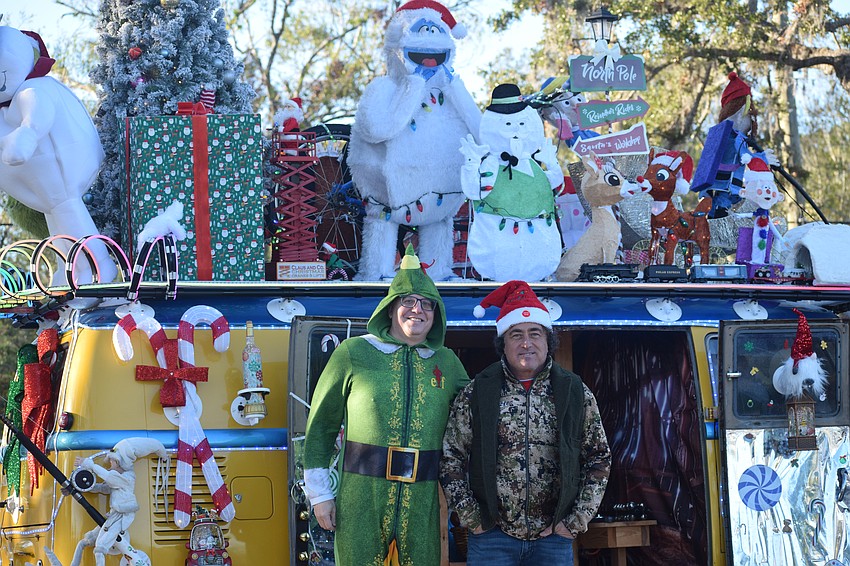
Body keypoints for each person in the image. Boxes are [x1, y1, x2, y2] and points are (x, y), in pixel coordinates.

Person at [303, 244, 470, 565]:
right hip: (362, 492)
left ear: (437, 315)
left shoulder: (447, 362)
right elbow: (321, 426)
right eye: (408, 301)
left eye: (427, 305)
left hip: (423, 498)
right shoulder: (353, 353)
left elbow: (474, 416)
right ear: (391, 307)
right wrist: (320, 495)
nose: (417, 310)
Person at [440, 280, 611, 565]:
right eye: (515, 335)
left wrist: (576, 520)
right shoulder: (478, 390)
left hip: (554, 539)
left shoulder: (574, 391)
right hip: (492, 537)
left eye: (535, 334)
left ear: (548, 341)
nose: (526, 343)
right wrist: (471, 517)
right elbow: (450, 457)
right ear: (503, 343)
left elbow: (599, 458)